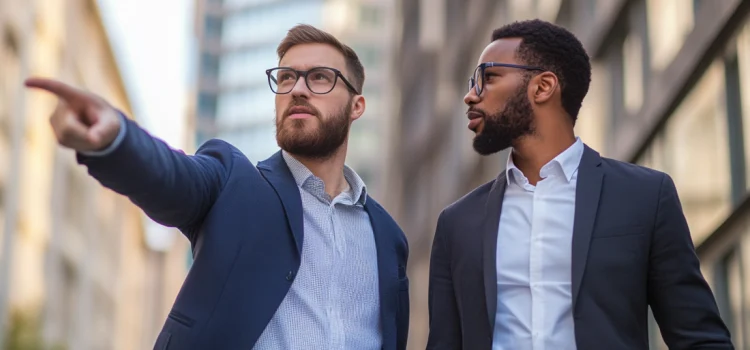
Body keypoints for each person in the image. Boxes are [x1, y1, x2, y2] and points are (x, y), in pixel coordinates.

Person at [26, 24, 409, 350]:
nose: (297, 89)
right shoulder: (233, 183)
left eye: (320, 77)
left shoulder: (389, 238)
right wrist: (116, 140)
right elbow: (171, 176)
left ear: (357, 106)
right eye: (287, 77)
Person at [426, 19, 732, 350]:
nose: (471, 96)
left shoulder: (644, 197)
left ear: (543, 87)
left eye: (489, 78)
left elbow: (699, 338)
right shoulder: (457, 223)